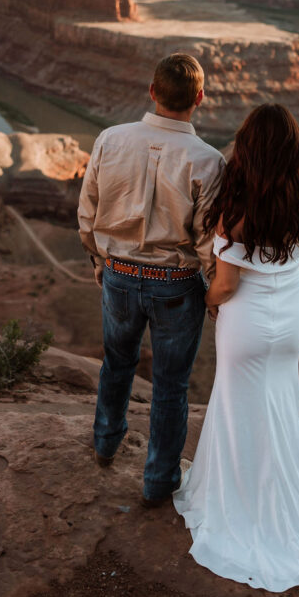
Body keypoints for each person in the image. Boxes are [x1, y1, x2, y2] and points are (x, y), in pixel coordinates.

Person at [173, 103, 299, 591]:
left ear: (248, 150)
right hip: (292, 315)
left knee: (238, 408)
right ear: (294, 149)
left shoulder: (234, 207)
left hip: (247, 321)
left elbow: (227, 287)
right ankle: (281, 487)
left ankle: (239, 500)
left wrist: (205, 299)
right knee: (279, 401)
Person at [78, 53, 225, 507]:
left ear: (153, 91)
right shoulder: (209, 160)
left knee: (116, 363)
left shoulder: (110, 139)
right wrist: (215, 288)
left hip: (119, 276)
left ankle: (105, 443)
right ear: (199, 99)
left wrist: (98, 258)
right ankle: (158, 481)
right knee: (170, 386)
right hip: (177, 285)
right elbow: (207, 240)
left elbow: (88, 210)